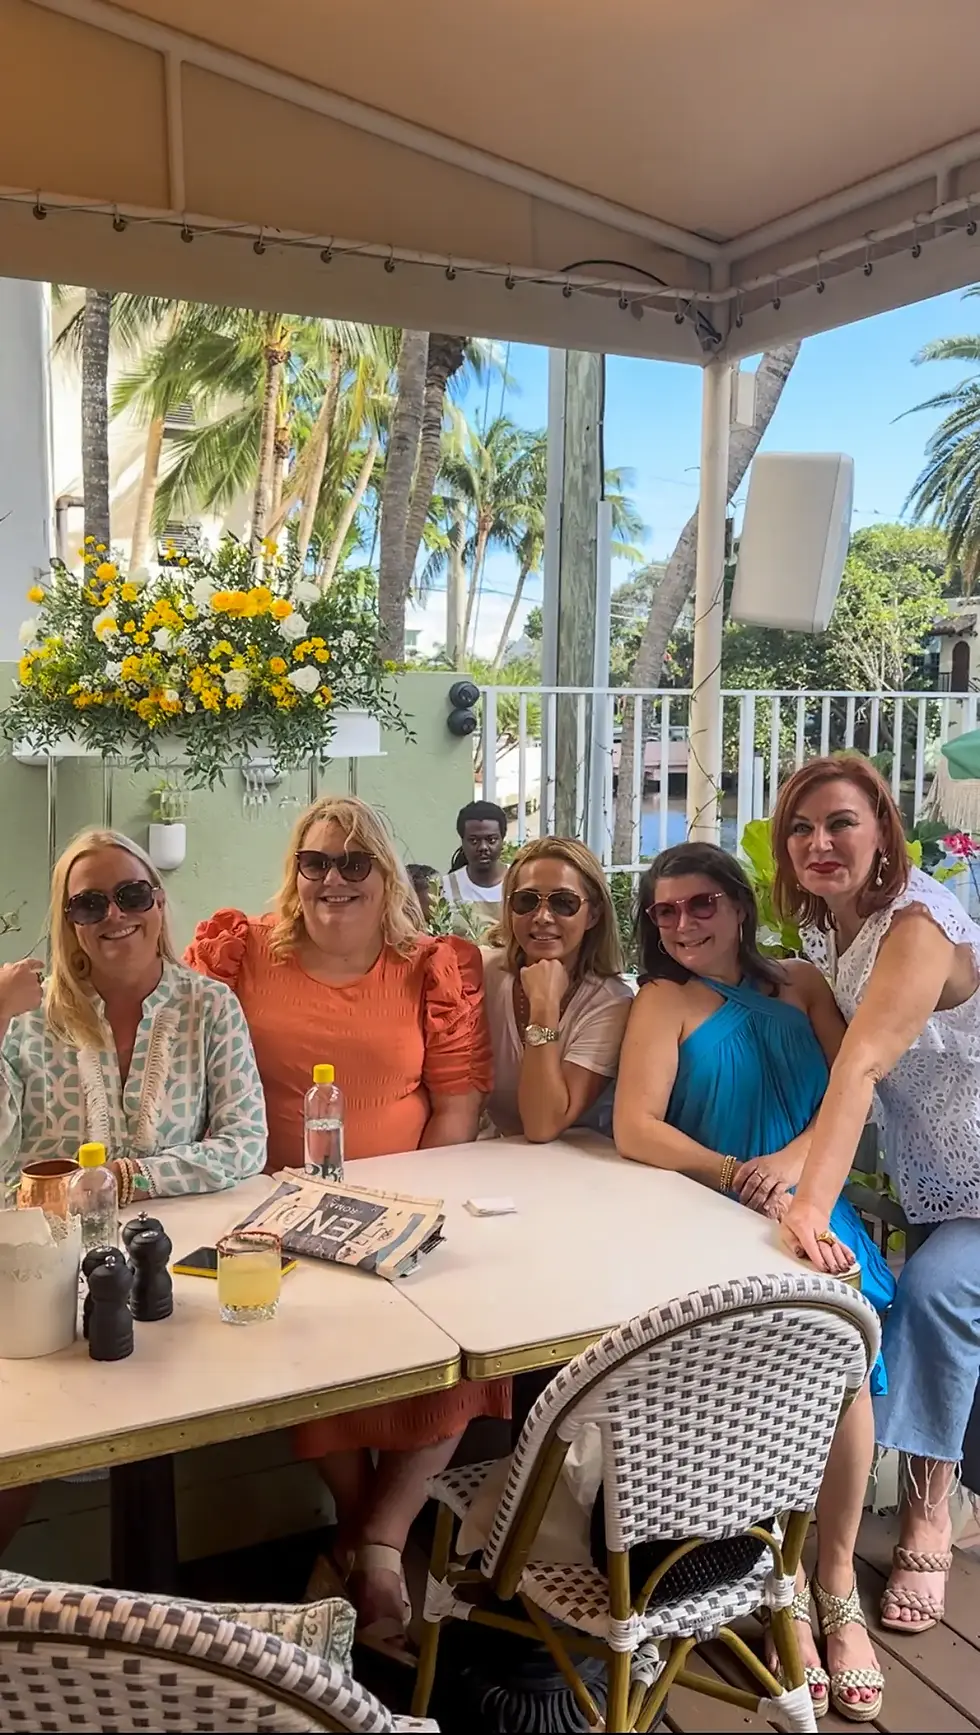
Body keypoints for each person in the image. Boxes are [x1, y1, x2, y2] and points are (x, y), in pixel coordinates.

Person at [186, 795, 506, 1659]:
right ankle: (371, 1550)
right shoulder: (240, 953)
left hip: (404, 1210)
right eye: (316, 862)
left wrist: (409, 1215)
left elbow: (458, 1101)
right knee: (303, 1349)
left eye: (354, 862)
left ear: (386, 875)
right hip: (266, 1212)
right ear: (295, 874)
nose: (333, 879)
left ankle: (369, 1542)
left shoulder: (429, 967)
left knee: (461, 1356)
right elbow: (197, 1076)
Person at [613, 842, 891, 1721]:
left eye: (702, 904)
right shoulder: (662, 1001)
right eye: (665, 912)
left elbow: (854, 1093)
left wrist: (791, 1171)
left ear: (739, 905)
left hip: (812, 1201)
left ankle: (836, 1577)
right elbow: (636, 1130)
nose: (685, 924)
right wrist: (737, 1172)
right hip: (716, 1212)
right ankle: (786, 1589)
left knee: (841, 1357)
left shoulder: (805, 986)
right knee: (766, 1360)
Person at [0, 826, 267, 1558]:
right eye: (90, 902)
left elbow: (245, 1143)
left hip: (175, 1269)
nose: (114, 915)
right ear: (68, 922)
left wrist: (126, 1177)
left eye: (130, 894)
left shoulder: (209, 1006)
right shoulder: (26, 1017)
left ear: (157, 901)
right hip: (43, 1268)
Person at [771, 754, 980, 1642]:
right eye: (802, 827)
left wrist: (808, 1208)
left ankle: (930, 1517)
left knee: (933, 1294)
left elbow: (864, 1063)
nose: (820, 842)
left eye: (841, 822)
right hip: (941, 1174)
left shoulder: (921, 920)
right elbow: (840, 1028)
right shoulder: (833, 925)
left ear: (884, 831)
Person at [481, 837, 632, 1141]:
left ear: (593, 914)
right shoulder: (484, 973)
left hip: (577, 1167)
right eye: (526, 901)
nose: (542, 917)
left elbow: (542, 1125)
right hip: (491, 1158)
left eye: (564, 902)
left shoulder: (609, 1002)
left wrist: (544, 1007)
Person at [443, 800, 508, 934]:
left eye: (491, 840)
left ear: (502, 839)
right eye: (473, 840)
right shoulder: (445, 888)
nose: (483, 847)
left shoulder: (519, 881)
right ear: (462, 841)